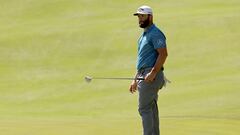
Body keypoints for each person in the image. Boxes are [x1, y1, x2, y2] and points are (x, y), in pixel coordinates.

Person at [129, 5, 168, 135]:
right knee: (151, 108)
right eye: (139, 16)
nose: (140, 19)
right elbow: (142, 61)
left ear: (150, 17)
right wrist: (135, 80)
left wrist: (153, 73)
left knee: (144, 108)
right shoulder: (143, 36)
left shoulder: (155, 33)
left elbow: (163, 54)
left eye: (143, 16)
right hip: (144, 74)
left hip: (151, 75)